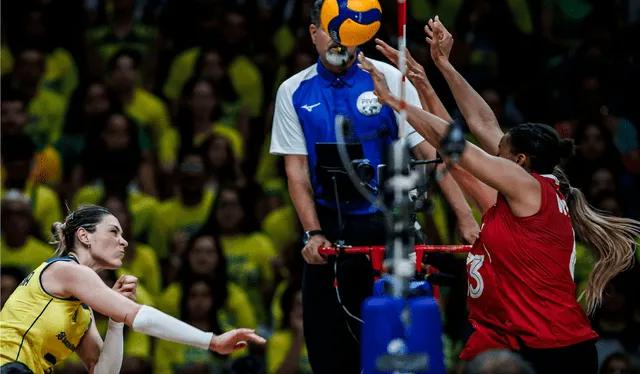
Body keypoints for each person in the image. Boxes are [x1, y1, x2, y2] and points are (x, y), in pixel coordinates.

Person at [359, 17, 640, 374]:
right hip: (530, 344)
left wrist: (396, 102)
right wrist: (438, 71)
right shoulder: (526, 188)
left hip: (554, 351)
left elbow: (456, 146)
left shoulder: (527, 187)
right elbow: (482, 126)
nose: (491, 156)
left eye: (499, 153)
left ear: (520, 161)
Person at [269, 1, 478, 372]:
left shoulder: (389, 78)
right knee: (327, 345)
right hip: (329, 228)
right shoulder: (293, 90)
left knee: (400, 341)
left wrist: (465, 217)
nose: (339, 41)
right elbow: (296, 172)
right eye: (331, 31)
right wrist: (312, 233)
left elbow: (433, 152)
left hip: (389, 226)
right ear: (313, 33)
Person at [0, 204, 265, 374]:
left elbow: (103, 372)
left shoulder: (82, 315)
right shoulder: (66, 269)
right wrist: (212, 340)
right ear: (84, 236)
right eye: (114, 232)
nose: (124, 241)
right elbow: (140, 316)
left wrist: (116, 321)